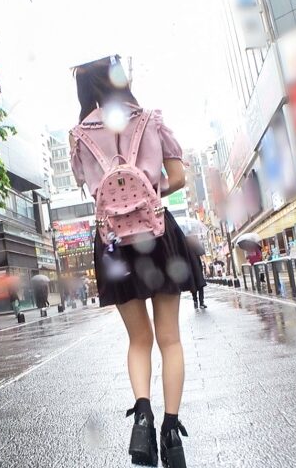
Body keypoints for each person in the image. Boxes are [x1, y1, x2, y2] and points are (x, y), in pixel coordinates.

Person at [69, 55, 192, 467]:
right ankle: (171, 432)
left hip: (113, 243)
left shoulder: (79, 136)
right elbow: (178, 177)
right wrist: (151, 190)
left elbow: (91, 188)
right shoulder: (150, 120)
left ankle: (142, 417)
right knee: (169, 338)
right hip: (158, 236)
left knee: (138, 339)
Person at [185, 235, 207, 309]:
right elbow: (202, 254)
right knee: (199, 284)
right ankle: (200, 302)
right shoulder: (194, 241)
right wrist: (206, 266)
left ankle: (196, 302)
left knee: (193, 284)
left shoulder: (184, 242)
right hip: (195, 266)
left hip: (190, 268)